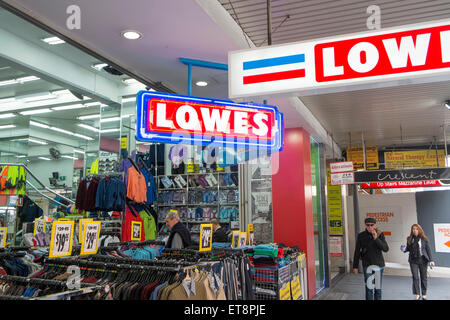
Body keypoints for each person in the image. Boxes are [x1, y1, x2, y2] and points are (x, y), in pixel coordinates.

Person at [353, 217, 389, 300]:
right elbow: (357, 251)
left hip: (378, 265)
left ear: (374, 225)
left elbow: (386, 249)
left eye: (371, 225)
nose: (370, 227)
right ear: (365, 225)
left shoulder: (380, 234)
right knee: (369, 288)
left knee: (378, 288)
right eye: (368, 225)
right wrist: (355, 266)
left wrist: (376, 238)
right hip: (367, 265)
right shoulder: (361, 236)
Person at [402, 224, 435, 300]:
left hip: (423, 260)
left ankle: (424, 294)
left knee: (424, 278)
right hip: (413, 261)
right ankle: (417, 294)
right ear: (412, 230)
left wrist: (431, 260)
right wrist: (404, 249)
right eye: (413, 229)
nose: (415, 230)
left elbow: (428, 250)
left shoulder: (424, 239)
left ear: (419, 230)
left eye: (416, 229)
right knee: (415, 277)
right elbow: (408, 249)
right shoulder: (409, 239)